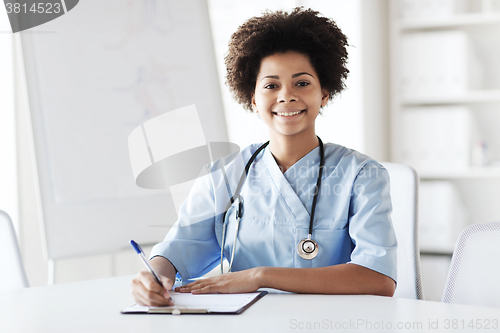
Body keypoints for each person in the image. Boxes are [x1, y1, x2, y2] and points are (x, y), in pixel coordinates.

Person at [131, 7, 397, 307]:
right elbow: (182, 243)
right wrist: (154, 276)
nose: (286, 95)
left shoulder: (362, 174)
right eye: (271, 85)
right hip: (245, 320)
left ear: (324, 93)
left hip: (331, 321)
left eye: (302, 83)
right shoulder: (224, 173)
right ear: (253, 100)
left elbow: (378, 278)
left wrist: (260, 276)